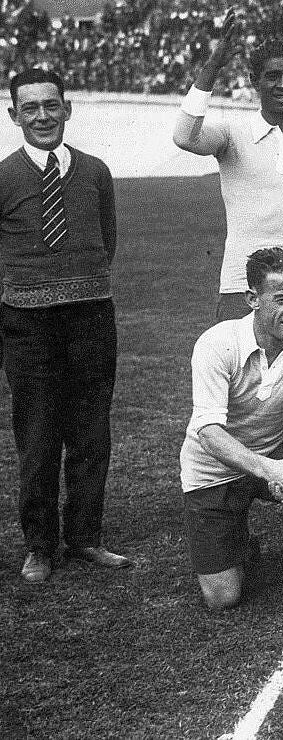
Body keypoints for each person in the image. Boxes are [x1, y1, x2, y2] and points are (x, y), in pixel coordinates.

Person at [173, 10, 283, 446]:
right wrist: (212, 66)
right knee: (236, 390)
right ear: (256, 82)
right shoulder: (233, 133)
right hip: (241, 283)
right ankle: (234, 483)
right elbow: (184, 135)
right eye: (273, 76)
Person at [4, 67, 129, 584]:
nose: (41, 116)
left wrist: (83, 286)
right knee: (38, 435)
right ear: (14, 116)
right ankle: (40, 545)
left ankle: (84, 538)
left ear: (67, 108)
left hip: (91, 316)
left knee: (90, 431)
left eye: (50, 105)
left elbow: (108, 236)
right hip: (28, 325)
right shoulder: (4, 176)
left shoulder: (96, 171)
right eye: (29, 108)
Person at [179, 248, 283, 628]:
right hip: (212, 471)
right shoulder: (216, 344)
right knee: (223, 598)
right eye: (282, 299)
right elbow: (208, 431)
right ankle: (241, 543)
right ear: (253, 300)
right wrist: (271, 471)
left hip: (274, 456)